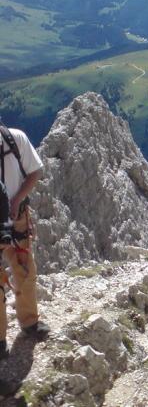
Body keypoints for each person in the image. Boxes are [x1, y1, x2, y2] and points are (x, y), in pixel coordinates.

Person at [0, 124, 50, 358]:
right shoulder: (13, 141)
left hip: (17, 216)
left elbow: (35, 171)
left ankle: (29, 323)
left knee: (26, 271)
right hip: (14, 216)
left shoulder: (15, 139)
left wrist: (17, 199)